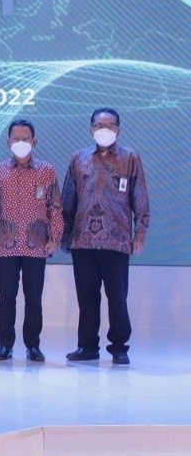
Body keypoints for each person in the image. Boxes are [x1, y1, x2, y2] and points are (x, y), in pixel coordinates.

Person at [62, 108, 149, 365]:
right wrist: (64, 236)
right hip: (83, 241)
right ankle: (87, 346)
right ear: (91, 129)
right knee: (87, 297)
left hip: (117, 240)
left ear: (118, 129)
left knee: (117, 297)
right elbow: (68, 200)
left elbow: (140, 198)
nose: (104, 129)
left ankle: (119, 347)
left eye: (110, 125)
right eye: (99, 125)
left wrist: (140, 233)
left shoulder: (130, 159)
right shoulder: (78, 159)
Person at [0, 119, 63, 362]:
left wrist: (55, 237)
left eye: (25, 138)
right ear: (8, 142)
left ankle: (33, 346)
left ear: (34, 141)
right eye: (16, 138)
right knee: (7, 297)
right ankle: (5, 345)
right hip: (5, 245)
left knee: (33, 298)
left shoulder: (47, 171)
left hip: (36, 245)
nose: (21, 142)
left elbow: (55, 207)